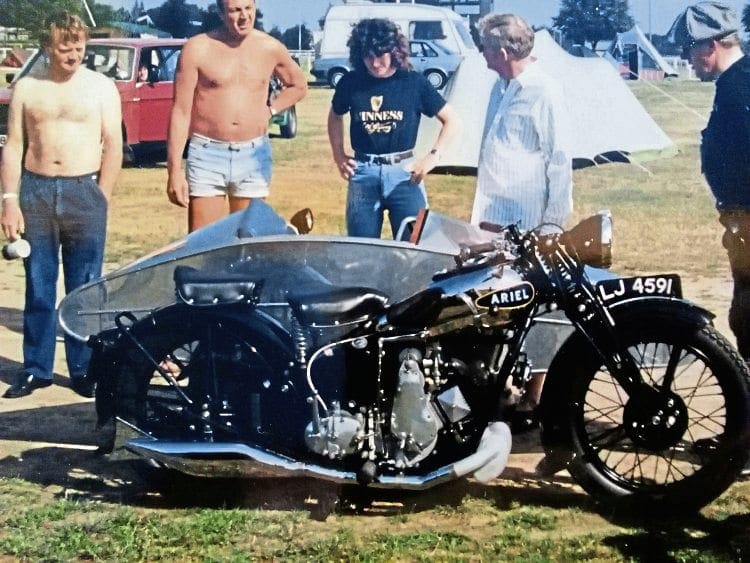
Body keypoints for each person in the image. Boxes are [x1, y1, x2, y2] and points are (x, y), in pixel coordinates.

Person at [0, 12, 122, 399]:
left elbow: (114, 144)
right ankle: (37, 369)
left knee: (84, 287)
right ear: (47, 47)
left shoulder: (101, 87)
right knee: (38, 285)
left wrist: (101, 195)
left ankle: (84, 369)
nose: (72, 54)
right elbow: (14, 146)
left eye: (79, 45)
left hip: (84, 190)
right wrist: (9, 201)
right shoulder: (27, 88)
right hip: (35, 191)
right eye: (64, 46)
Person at [472, 13, 573, 432]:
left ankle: (538, 400)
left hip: (528, 220)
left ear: (501, 51)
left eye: (484, 50)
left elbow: (560, 159)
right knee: (497, 307)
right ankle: (505, 392)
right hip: (493, 218)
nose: (482, 57)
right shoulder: (501, 87)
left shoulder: (543, 91)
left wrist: (553, 222)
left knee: (537, 310)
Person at [668, 2, 750, 477]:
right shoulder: (734, 84)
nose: (688, 58)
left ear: (715, 44)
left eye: (692, 49)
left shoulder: (741, 85)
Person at [166, 0, 307, 232]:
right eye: (235, 10)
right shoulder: (198, 48)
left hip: (252, 153)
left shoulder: (269, 47)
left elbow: (298, 85)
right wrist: (174, 171)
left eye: (248, 9)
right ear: (221, 13)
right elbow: (180, 111)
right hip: (207, 153)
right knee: (204, 243)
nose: (244, 17)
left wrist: (270, 109)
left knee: (248, 240)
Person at [327, 18, 460, 239]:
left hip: (405, 174)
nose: (375, 63)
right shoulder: (351, 82)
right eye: (368, 56)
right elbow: (335, 116)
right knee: (361, 249)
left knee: (415, 244)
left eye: (380, 55)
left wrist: (433, 157)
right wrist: (338, 155)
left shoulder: (414, 82)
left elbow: (452, 120)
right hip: (363, 174)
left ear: (395, 51)